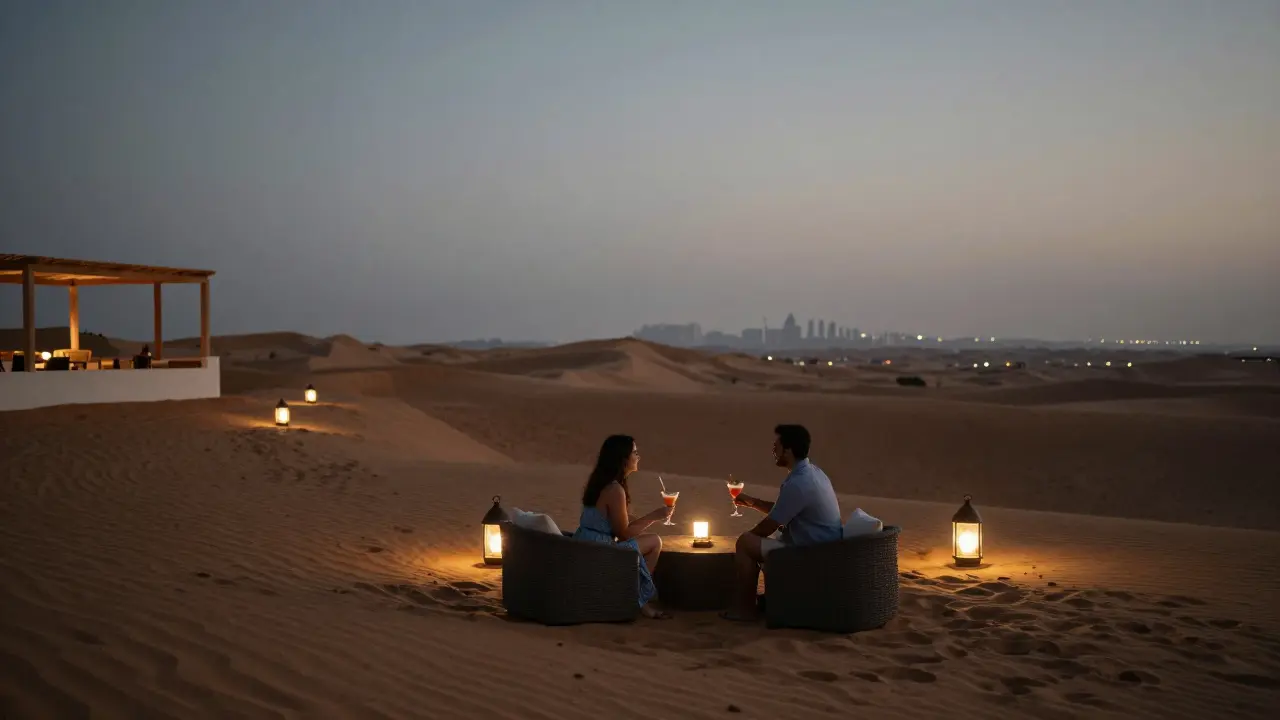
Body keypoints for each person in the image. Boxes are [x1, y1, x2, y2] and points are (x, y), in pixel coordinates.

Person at [721, 424, 842, 622]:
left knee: (744, 543)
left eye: (776, 446)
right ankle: (766, 598)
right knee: (755, 542)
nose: (773, 450)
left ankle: (745, 609)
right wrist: (754, 503)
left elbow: (769, 526)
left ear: (789, 450)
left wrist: (749, 543)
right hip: (821, 547)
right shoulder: (813, 473)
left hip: (810, 553)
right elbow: (786, 510)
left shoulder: (799, 483)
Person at [573, 434, 673, 619]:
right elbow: (624, 534)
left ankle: (637, 597)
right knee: (654, 541)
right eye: (634, 452)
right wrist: (655, 516)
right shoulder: (615, 489)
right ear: (623, 459)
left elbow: (618, 523)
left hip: (585, 543)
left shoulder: (600, 483)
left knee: (646, 538)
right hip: (600, 551)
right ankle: (638, 599)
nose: (638, 456)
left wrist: (643, 519)